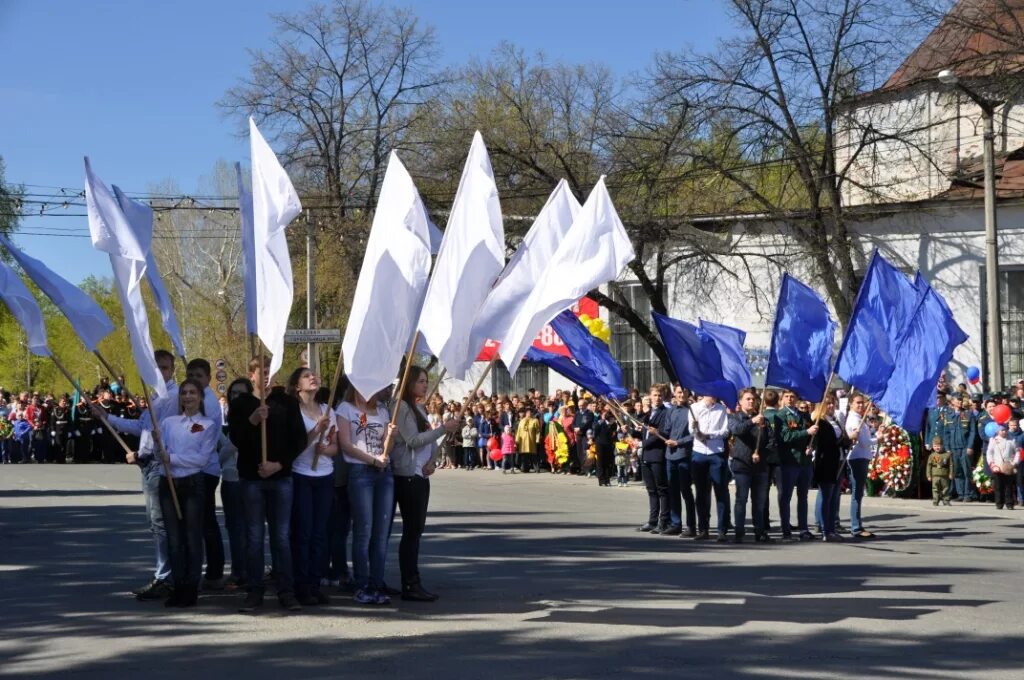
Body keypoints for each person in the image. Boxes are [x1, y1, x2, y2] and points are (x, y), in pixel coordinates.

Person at [229, 357, 307, 613]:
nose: (266, 376)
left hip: (280, 477)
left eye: (270, 372)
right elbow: (236, 439)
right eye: (261, 372)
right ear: (251, 375)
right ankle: (254, 590)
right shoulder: (241, 404)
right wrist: (252, 420)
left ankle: (286, 590)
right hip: (252, 479)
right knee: (254, 537)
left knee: (281, 537)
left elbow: (298, 441)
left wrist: (279, 464)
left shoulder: (286, 402)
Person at [391, 366, 460, 601]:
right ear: (409, 383)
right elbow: (412, 440)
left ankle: (413, 580)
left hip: (421, 473)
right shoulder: (401, 407)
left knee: (416, 530)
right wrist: (443, 428)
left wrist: (432, 460)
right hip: (408, 475)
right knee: (412, 531)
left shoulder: (418, 407)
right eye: (420, 381)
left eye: (426, 381)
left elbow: (427, 443)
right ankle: (410, 582)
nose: (425, 385)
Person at [155, 379, 219, 607]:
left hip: (193, 482)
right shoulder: (169, 422)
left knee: (192, 536)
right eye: (184, 393)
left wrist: (173, 459)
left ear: (200, 397)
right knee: (174, 537)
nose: (188, 396)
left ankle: (192, 587)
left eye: (192, 392)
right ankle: (178, 586)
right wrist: (157, 445)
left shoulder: (208, 424)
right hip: (169, 481)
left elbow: (201, 459)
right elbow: (160, 452)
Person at [335, 381, 395, 605]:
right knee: (364, 530)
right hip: (361, 471)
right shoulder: (346, 409)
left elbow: (385, 444)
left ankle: (377, 583)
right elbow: (347, 445)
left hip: (383, 472)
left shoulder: (382, 410)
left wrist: (390, 436)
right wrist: (372, 460)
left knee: (381, 532)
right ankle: (362, 584)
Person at [287, 367, 338, 606]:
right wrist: (315, 431)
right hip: (301, 474)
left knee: (321, 532)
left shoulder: (329, 411)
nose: (313, 377)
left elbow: (335, 447)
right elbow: (293, 445)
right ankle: (302, 584)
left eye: (315, 374)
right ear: (297, 385)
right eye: (307, 376)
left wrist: (325, 449)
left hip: (324, 475)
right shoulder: (293, 412)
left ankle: (316, 583)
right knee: (303, 532)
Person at [185, 358, 226, 590]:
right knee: (201, 522)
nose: (194, 380)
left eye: (199, 376)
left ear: (208, 378)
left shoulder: (208, 402)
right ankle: (208, 570)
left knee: (205, 522)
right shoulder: (195, 398)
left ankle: (213, 571)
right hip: (194, 467)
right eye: (191, 375)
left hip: (205, 467)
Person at [728, 389, 772, 543]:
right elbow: (736, 430)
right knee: (741, 500)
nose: (751, 402)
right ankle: (739, 532)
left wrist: (762, 453)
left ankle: (760, 531)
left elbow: (771, 440)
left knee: (759, 502)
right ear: (740, 401)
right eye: (747, 399)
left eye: (753, 399)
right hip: (742, 465)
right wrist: (752, 421)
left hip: (760, 466)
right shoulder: (735, 417)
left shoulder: (763, 420)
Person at [220, 378, 252, 589]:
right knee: (235, 529)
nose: (236, 397)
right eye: (233, 393)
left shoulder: (258, 419)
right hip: (231, 479)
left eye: (241, 393)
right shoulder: (225, 423)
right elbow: (219, 456)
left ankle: (252, 572)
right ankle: (238, 571)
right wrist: (235, 441)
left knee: (252, 529)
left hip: (251, 480)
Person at [689, 394, 731, 541]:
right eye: (710, 393)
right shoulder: (694, 408)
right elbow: (691, 431)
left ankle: (722, 530)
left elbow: (725, 431)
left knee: (721, 492)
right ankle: (703, 529)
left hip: (716, 454)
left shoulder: (721, 409)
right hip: (699, 453)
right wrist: (696, 430)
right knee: (701, 493)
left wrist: (708, 435)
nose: (713, 396)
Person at [637, 384, 672, 534]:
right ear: (650, 397)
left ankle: (664, 521)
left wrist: (642, 443)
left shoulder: (666, 413)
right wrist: (633, 431)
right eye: (654, 395)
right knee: (651, 490)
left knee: (662, 489)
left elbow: (662, 434)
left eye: (659, 395)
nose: (657, 398)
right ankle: (652, 520)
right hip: (646, 455)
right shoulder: (648, 413)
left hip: (657, 454)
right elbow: (644, 432)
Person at [813, 397, 845, 543]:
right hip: (825, 462)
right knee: (826, 496)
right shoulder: (820, 422)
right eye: (828, 403)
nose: (831, 406)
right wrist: (844, 439)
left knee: (833, 497)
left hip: (837, 461)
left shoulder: (834, 420)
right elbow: (826, 442)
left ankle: (831, 528)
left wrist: (848, 439)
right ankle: (824, 528)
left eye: (833, 403)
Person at [665, 385, 695, 536]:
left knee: (686, 491)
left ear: (688, 393)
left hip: (684, 455)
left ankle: (691, 526)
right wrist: (650, 431)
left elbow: (695, 434)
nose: (681, 394)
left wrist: (679, 442)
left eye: (684, 391)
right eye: (678, 392)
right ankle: (676, 523)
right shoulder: (670, 411)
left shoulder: (693, 411)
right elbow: (666, 430)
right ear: (674, 394)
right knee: (673, 491)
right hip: (670, 456)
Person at [845, 393, 876, 539]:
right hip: (857, 458)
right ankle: (855, 527)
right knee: (857, 493)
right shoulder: (853, 419)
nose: (861, 405)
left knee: (858, 493)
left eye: (862, 403)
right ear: (851, 404)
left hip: (862, 457)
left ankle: (857, 524)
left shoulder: (859, 418)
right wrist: (878, 439)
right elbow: (864, 442)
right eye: (857, 403)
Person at [944, 394, 979, 504]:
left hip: (965, 447)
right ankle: (960, 494)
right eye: (957, 400)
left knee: (966, 471)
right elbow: (946, 433)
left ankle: (968, 494)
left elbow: (973, 432)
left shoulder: (968, 414)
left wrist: (970, 446)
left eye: (960, 400)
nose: (959, 402)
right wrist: (947, 448)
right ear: (952, 402)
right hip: (954, 448)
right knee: (957, 471)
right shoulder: (948, 416)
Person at [986, 425, 1020, 510]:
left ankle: (1009, 503)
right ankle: (999, 503)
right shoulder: (993, 440)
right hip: (997, 466)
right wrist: (992, 464)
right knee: (998, 486)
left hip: (1008, 466)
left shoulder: (1012, 440)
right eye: (1002, 430)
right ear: (998, 431)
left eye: (1005, 430)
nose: (1004, 432)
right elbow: (989, 453)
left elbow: (1017, 452)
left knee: (1009, 486)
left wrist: (1014, 463)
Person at [925, 436, 953, 506]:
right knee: (935, 489)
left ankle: (946, 500)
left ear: (942, 445)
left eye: (939, 446)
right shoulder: (932, 456)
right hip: (935, 475)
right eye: (935, 446)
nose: (937, 448)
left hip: (944, 474)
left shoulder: (947, 455)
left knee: (945, 488)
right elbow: (929, 466)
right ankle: (935, 500)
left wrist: (951, 473)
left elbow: (951, 465)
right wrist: (928, 475)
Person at [593, 406, 617, 487]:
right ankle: (601, 479)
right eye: (611, 418)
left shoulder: (613, 425)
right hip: (600, 444)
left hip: (609, 445)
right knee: (600, 462)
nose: (613, 420)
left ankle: (607, 479)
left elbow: (614, 434)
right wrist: (596, 441)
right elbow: (595, 433)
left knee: (608, 462)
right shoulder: (600, 423)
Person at [514, 408, 542, 473]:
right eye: (528, 412)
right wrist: (517, 441)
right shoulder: (522, 421)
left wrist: (537, 439)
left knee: (533, 455)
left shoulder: (535, 421)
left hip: (531, 440)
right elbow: (518, 432)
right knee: (524, 456)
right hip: (523, 442)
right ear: (526, 413)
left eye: (530, 412)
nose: (529, 414)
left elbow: (538, 431)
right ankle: (525, 468)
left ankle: (536, 468)